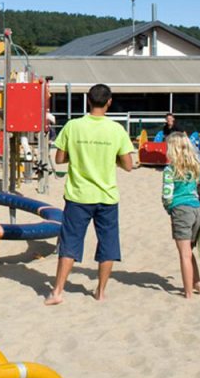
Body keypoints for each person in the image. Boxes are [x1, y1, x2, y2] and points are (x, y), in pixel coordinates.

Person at [46, 83, 134, 306]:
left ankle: (57, 291)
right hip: (106, 195)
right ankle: (101, 291)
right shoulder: (116, 130)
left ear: (88, 100)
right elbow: (128, 165)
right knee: (108, 244)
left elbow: (59, 159)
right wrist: (111, 158)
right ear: (109, 102)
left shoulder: (73, 126)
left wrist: (78, 156)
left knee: (70, 243)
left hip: (78, 195)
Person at [161, 132, 200, 299]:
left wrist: (169, 208)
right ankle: (197, 283)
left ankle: (188, 292)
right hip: (197, 209)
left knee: (184, 253)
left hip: (181, 210)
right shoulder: (196, 166)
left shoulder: (170, 169)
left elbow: (167, 195)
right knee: (189, 250)